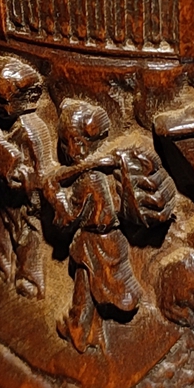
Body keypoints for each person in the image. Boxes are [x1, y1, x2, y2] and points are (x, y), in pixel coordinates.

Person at [48, 100, 141, 353]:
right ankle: (93, 330)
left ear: (80, 143)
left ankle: (78, 329)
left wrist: (55, 198)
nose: (68, 150)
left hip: (95, 241)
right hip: (109, 240)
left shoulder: (87, 179)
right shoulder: (97, 172)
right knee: (93, 288)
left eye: (70, 142)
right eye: (64, 144)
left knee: (85, 287)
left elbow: (69, 217)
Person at [0, 54, 54, 298]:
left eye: (5, 102)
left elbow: (43, 173)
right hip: (1, 191)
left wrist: (25, 178)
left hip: (24, 203)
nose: (0, 107)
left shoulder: (32, 132)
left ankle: (29, 278)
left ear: (27, 99)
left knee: (27, 238)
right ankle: (1, 260)